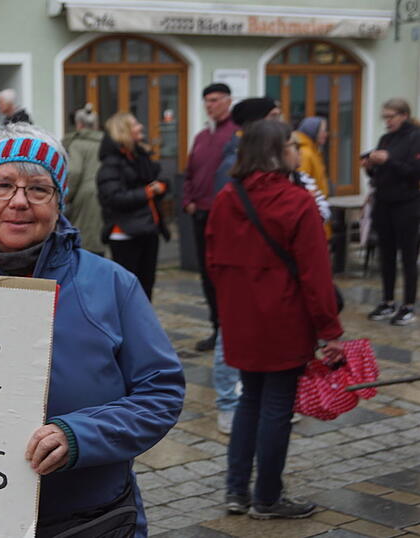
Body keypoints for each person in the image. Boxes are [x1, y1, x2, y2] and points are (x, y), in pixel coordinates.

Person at [0, 122, 184, 537]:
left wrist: (78, 436)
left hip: (92, 518)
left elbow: (160, 393)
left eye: (38, 189)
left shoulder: (110, 284)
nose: (19, 202)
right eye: (2, 185)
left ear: (59, 201)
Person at [207, 120, 344, 520]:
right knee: (276, 407)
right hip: (284, 318)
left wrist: (232, 305)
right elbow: (316, 275)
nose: (297, 151)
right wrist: (330, 331)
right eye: (290, 145)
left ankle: (236, 491)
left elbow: (212, 262)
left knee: (250, 399)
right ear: (275, 152)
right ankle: (267, 497)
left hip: (241, 317)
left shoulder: (227, 198)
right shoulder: (296, 201)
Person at [183, 83, 237, 352]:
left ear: (228, 101)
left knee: (224, 273)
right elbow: (190, 172)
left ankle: (230, 330)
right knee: (206, 274)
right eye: (206, 101)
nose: (210, 105)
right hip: (200, 212)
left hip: (224, 215)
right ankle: (216, 328)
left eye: (215, 100)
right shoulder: (202, 136)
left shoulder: (235, 134)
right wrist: (188, 200)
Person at [97, 112, 170, 300]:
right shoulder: (111, 164)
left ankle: (142, 327)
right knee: (127, 291)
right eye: (135, 124)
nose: (141, 127)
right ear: (124, 131)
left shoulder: (140, 156)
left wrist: (162, 186)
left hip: (148, 228)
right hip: (125, 233)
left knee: (146, 287)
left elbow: (158, 177)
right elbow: (114, 198)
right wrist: (148, 192)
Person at [364, 98, 420, 326]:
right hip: (384, 203)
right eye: (384, 117)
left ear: (403, 115)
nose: (387, 122)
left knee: (407, 257)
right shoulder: (386, 138)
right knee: (385, 255)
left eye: (390, 117)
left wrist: (388, 159)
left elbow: (414, 172)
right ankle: (388, 301)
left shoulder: (415, 137)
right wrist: (371, 166)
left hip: (407, 204)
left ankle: (408, 305)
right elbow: (380, 175)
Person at [62, 104, 105, 256]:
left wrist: (65, 197)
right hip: (105, 193)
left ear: (78, 124)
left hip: (85, 197)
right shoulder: (105, 143)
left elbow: (73, 172)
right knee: (100, 240)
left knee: (86, 243)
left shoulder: (76, 144)